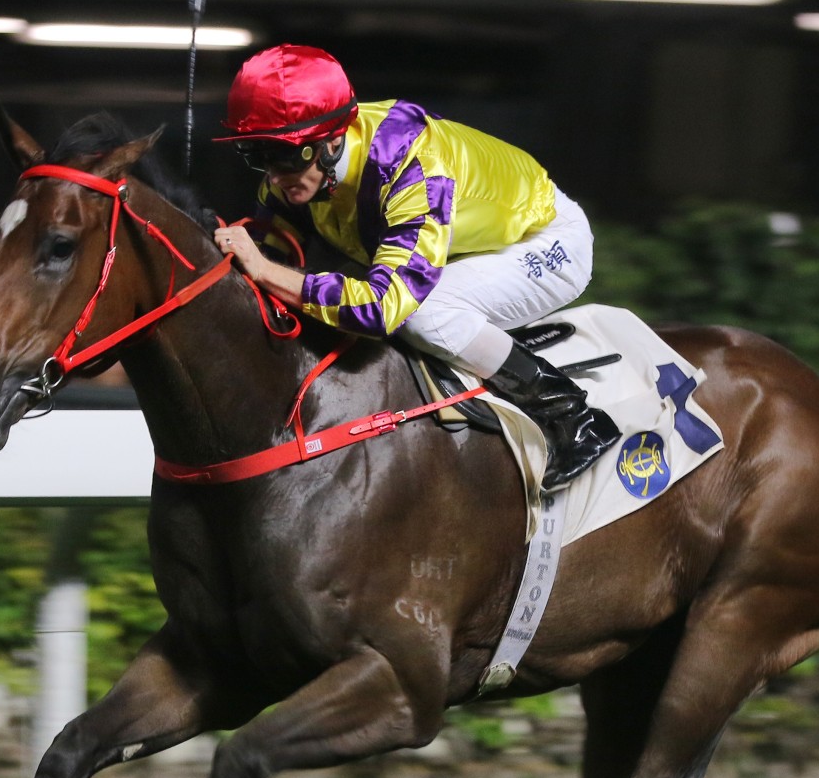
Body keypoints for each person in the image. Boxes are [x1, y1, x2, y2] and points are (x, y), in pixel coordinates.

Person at [213, 43, 619, 492]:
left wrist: (267, 272)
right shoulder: (298, 171)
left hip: (544, 240)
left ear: (332, 141)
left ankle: (571, 416)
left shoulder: (410, 167)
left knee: (422, 314)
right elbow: (262, 252)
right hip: (458, 247)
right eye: (258, 155)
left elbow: (382, 308)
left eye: (285, 157)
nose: (273, 176)